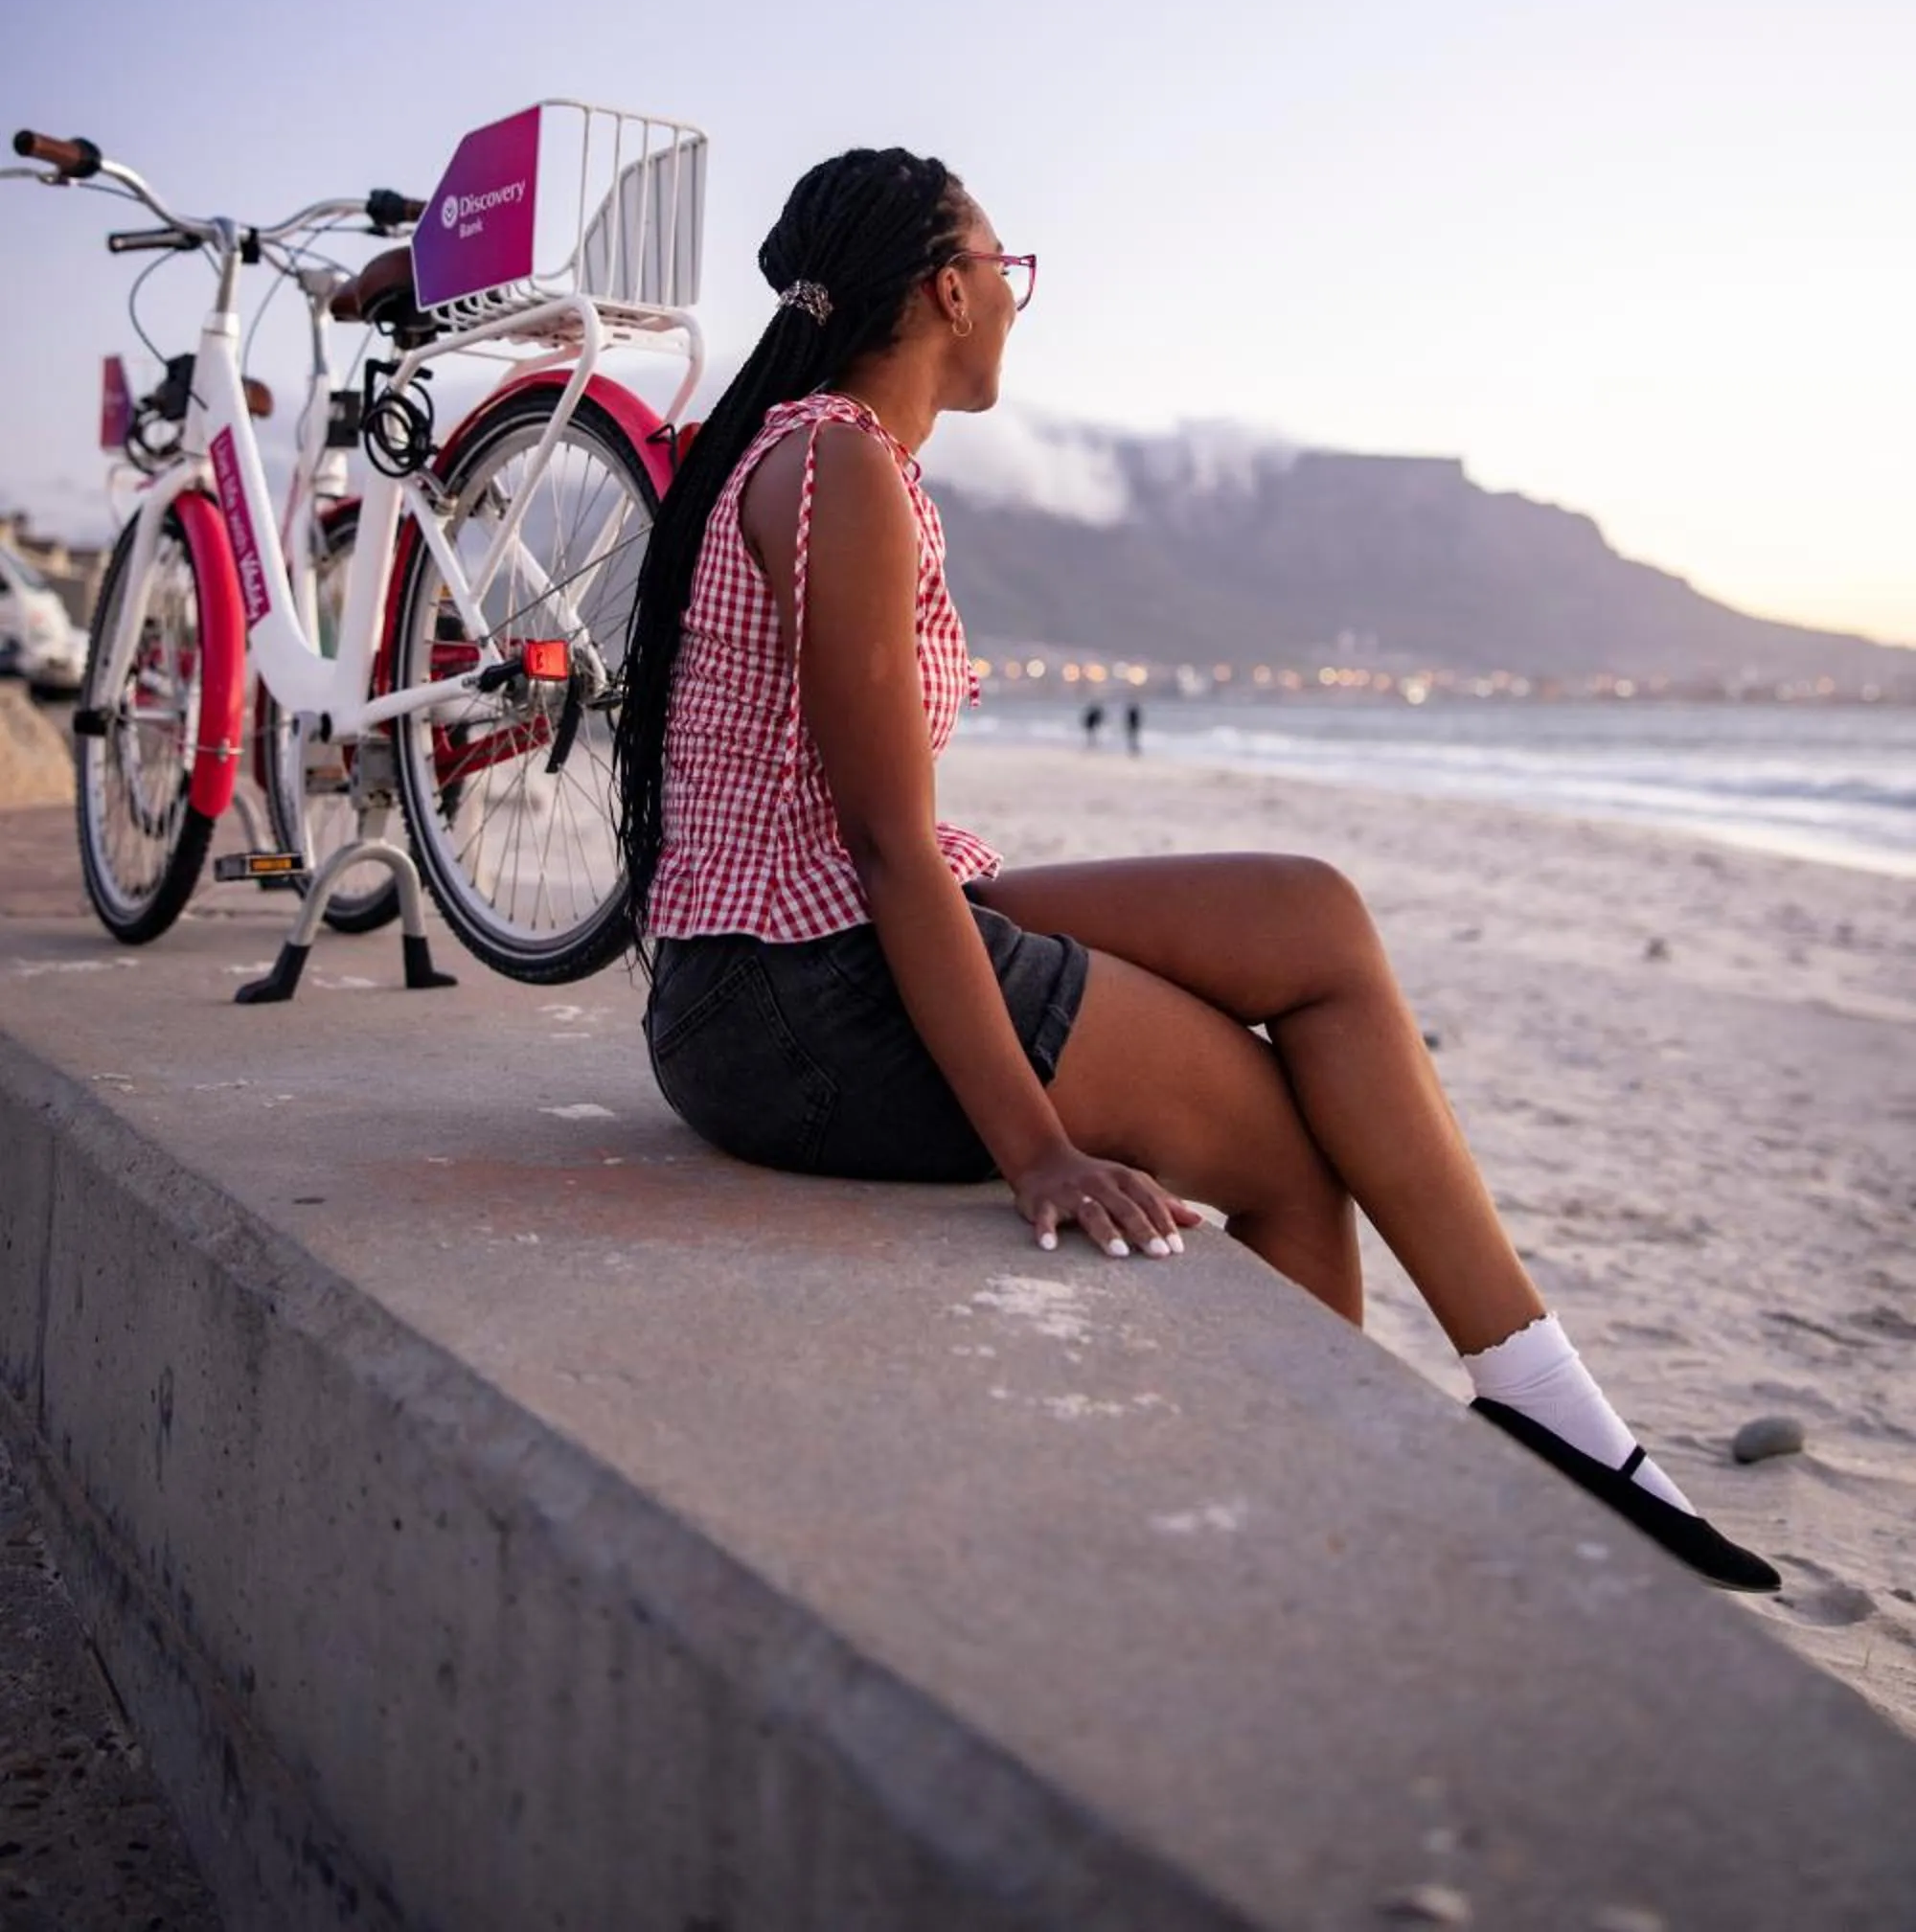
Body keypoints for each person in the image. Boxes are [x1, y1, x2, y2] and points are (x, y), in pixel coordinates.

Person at [615, 148, 1778, 1594]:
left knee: (1311, 915)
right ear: (949, 289)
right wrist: (1041, 1149)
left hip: (780, 966)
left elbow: (868, 844)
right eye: (1009, 272)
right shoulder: (839, 465)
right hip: (797, 1004)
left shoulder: (819, 454)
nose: (1017, 304)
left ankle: (1545, 1405)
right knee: (1293, 1160)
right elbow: (885, 846)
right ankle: (1314, 1542)